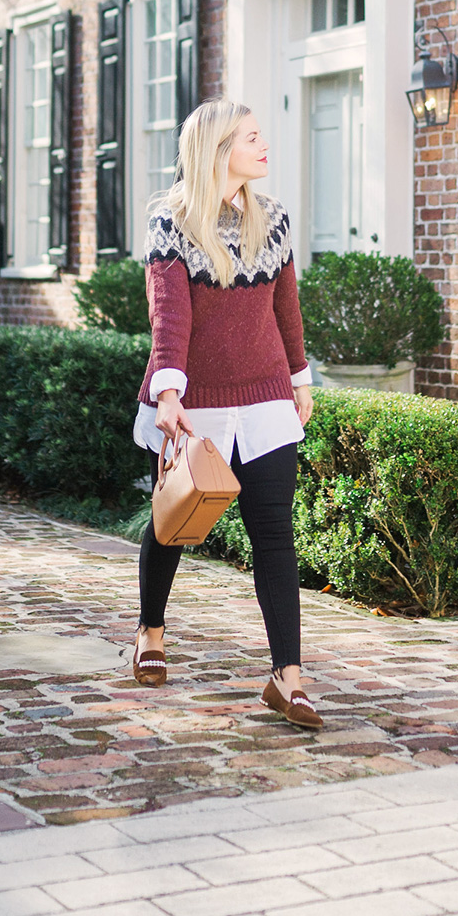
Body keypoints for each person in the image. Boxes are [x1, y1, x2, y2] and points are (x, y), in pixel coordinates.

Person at [131, 98, 321, 728]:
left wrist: (299, 378)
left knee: (274, 532)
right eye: (252, 137)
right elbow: (169, 315)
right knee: (176, 524)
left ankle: (286, 678)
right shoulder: (172, 221)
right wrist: (168, 391)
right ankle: (151, 630)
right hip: (197, 401)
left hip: (265, 398)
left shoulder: (275, 219)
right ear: (218, 150)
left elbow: (285, 307)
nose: (264, 146)